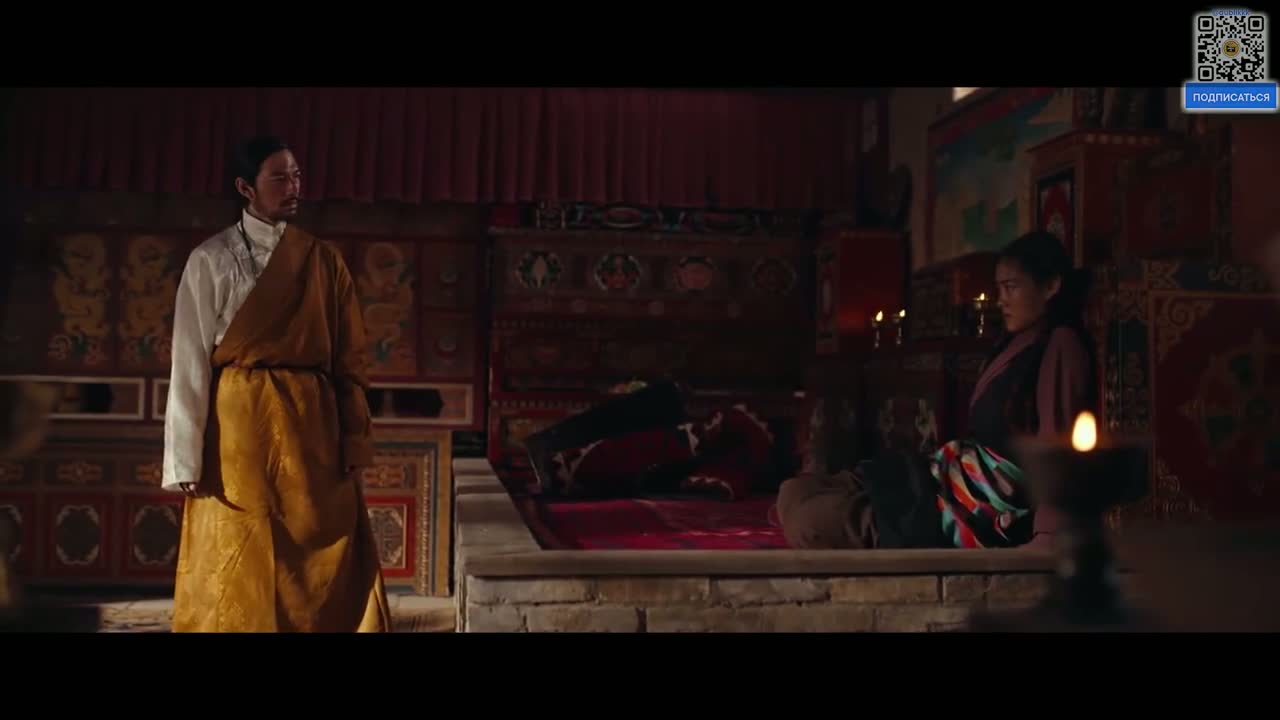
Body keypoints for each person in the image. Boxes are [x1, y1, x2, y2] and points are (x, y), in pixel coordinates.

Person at [161, 136, 391, 632]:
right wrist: (185, 457)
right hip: (238, 431)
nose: (293, 187)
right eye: (280, 178)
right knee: (239, 549)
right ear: (246, 187)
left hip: (313, 426)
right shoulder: (211, 259)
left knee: (318, 554)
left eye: (297, 176)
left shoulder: (323, 261)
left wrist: (355, 439)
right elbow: (190, 360)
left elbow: (350, 361)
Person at [776, 231, 1096, 550]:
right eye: (999, 288)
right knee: (794, 492)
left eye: (1011, 287)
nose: (1001, 300)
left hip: (981, 501)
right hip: (949, 475)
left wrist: (1049, 533)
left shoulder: (1060, 344)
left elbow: (1058, 446)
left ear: (1051, 286)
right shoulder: (1014, 340)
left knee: (810, 521)